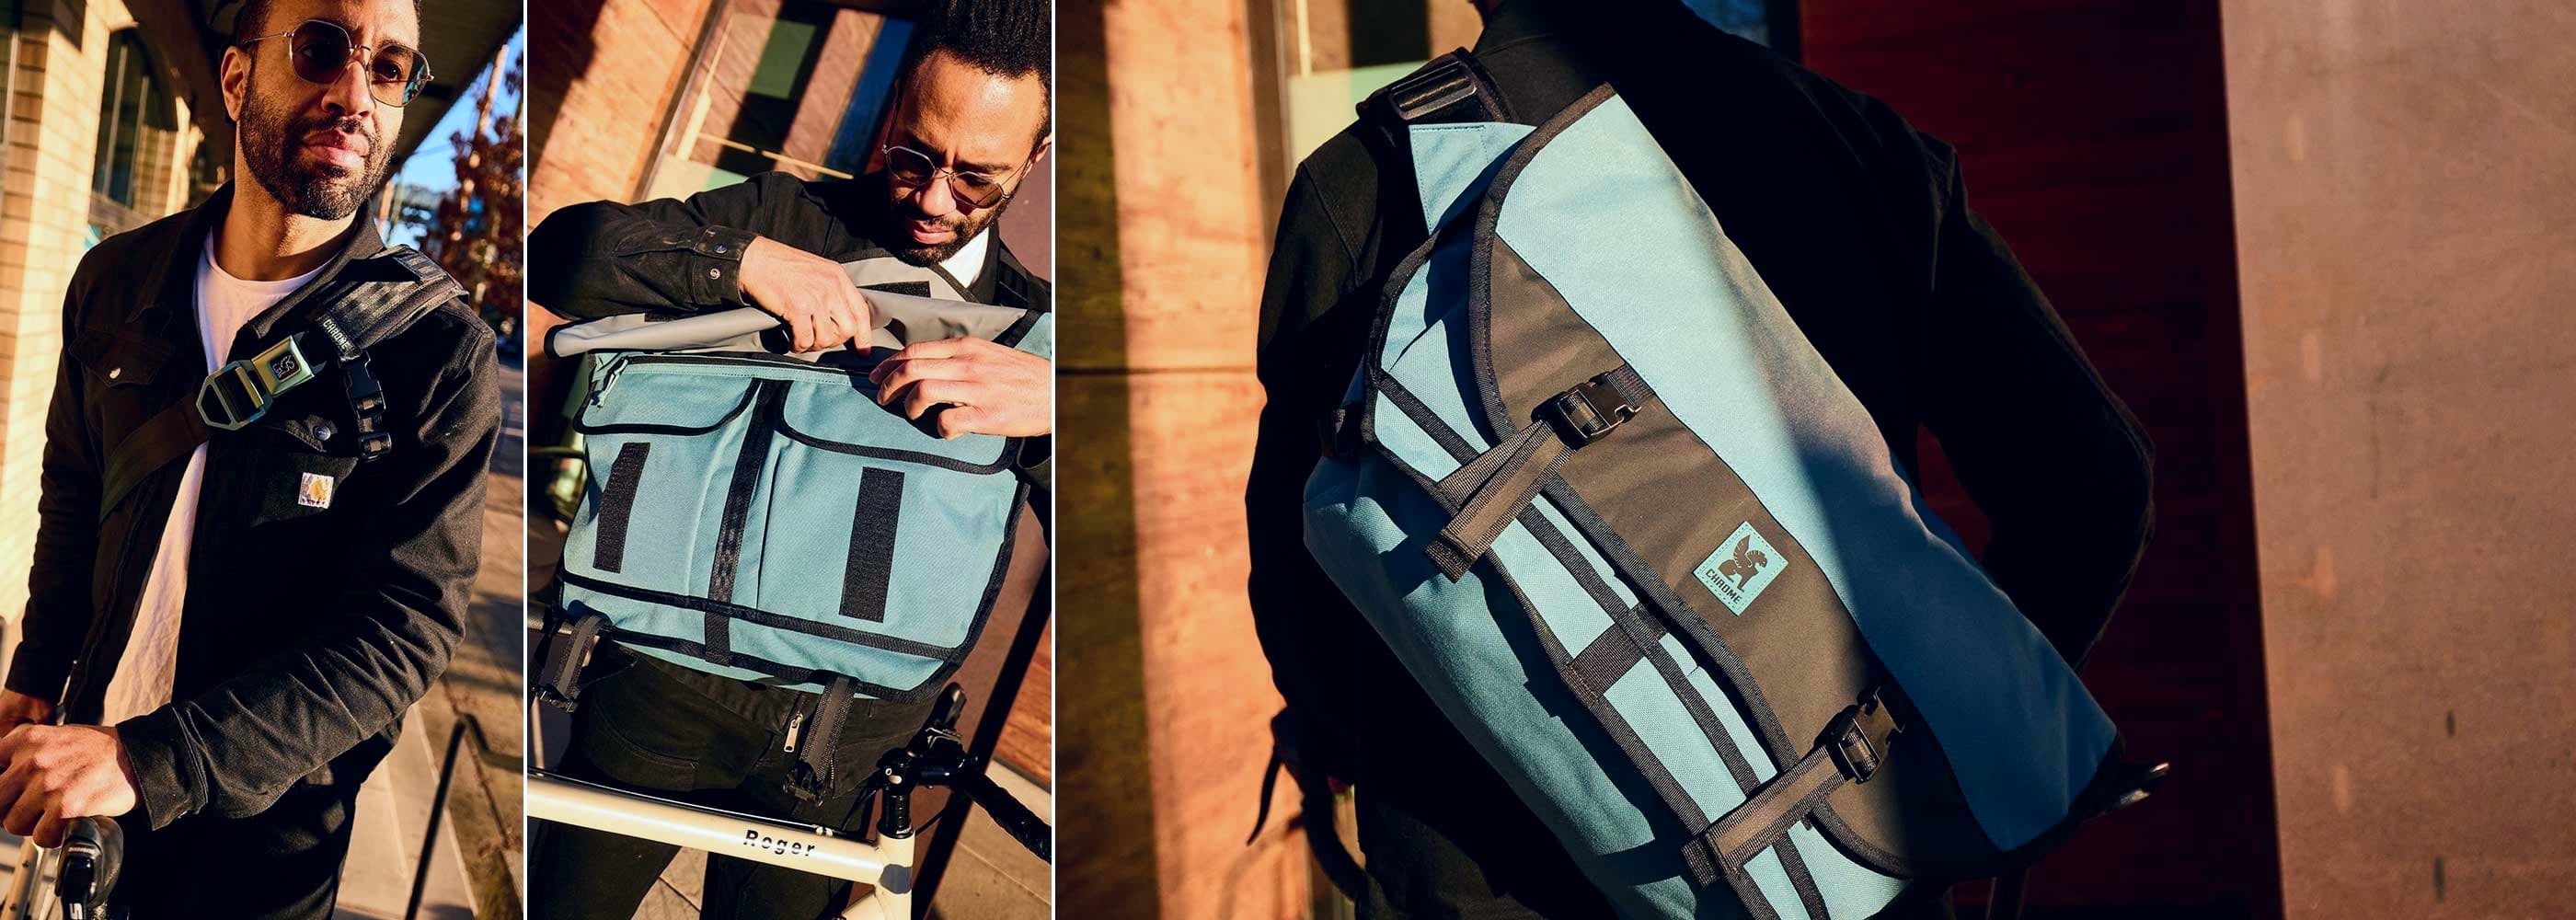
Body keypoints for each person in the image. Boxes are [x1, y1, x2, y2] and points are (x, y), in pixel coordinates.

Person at [1248, 1, 2156, 917]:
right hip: (1823, 860)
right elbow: (2096, 489)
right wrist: (1940, 730)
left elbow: (1302, 584)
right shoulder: (1864, 150)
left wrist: (1347, 728)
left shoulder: (1373, 178)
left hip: (1480, 878)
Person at [522, 0, 1052, 915]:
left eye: (978, 179)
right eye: (915, 156)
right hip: (648, 693)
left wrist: (1060, 407)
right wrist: (736, 259)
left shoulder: (1037, 331)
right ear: (889, 111)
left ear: (1034, 161)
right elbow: (562, 256)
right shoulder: (779, 213)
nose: (933, 199)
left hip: (847, 747)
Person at [0, 0, 499, 915]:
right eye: (321, 50)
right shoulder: (118, 279)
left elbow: (404, 630)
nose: (355, 92)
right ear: (236, 80)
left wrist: (153, 761)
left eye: (390, 69)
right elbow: (75, 491)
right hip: (87, 783)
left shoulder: (438, 353)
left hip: (262, 842)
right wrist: (38, 670)